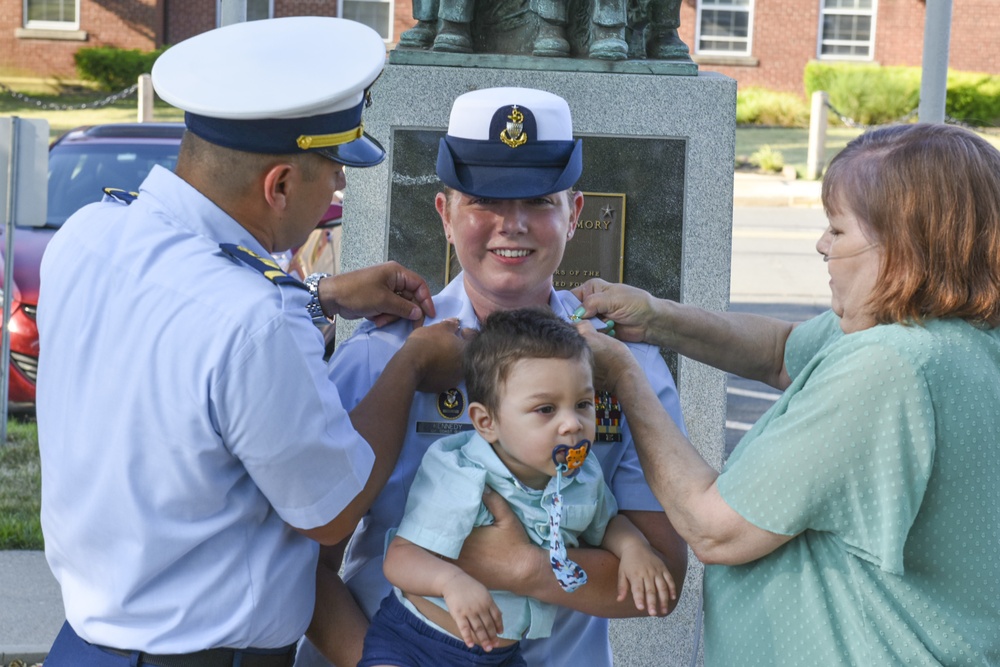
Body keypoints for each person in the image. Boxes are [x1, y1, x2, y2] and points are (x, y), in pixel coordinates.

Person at [36, 17, 468, 667]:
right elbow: (328, 512)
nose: (338, 193)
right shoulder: (255, 321)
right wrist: (409, 365)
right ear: (281, 184)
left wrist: (319, 293)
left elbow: (177, 327)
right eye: (333, 175)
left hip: (85, 644)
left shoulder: (89, 233)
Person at [571, 123, 1000, 665]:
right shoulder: (952, 335)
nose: (821, 245)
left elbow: (714, 528)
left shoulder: (889, 366)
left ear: (905, 247)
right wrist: (655, 319)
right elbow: (782, 351)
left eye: (838, 231)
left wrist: (625, 377)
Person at [297, 86, 689, 667]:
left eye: (538, 202)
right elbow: (304, 564)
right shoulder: (380, 358)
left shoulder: (624, 370)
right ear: (446, 214)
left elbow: (658, 578)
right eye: (483, 201)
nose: (512, 225)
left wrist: (525, 569)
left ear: (575, 214)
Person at [360, 308, 676, 666]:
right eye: (546, 409)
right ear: (486, 421)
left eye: (583, 404)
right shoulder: (463, 471)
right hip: (416, 643)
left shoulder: (582, 475)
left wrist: (633, 548)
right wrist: (450, 581)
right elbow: (400, 558)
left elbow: (605, 523)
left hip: (502, 656)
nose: (572, 425)